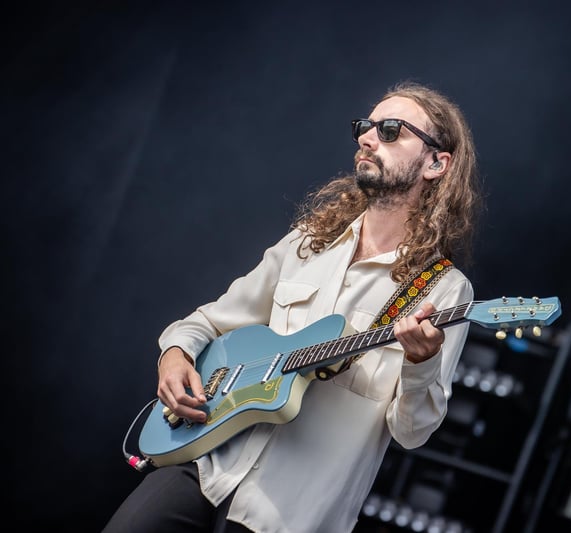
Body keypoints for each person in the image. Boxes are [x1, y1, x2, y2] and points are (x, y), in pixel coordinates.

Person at [103, 80, 483, 533]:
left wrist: (422, 361)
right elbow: (207, 321)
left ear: (437, 163)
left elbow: (412, 432)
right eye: (367, 126)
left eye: (390, 130)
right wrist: (174, 356)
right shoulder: (309, 242)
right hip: (205, 464)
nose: (366, 136)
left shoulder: (442, 290)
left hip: (289, 514)